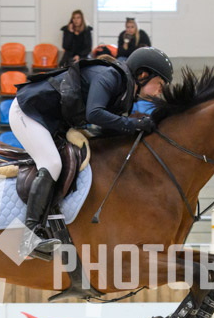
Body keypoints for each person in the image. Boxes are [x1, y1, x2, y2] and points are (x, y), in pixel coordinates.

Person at [10, 47, 174, 258]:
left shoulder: (124, 91)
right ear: (143, 75)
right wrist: (134, 124)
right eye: (159, 84)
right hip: (28, 112)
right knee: (51, 163)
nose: (160, 91)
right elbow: (94, 113)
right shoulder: (111, 76)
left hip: (51, 121)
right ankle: (29, 238)